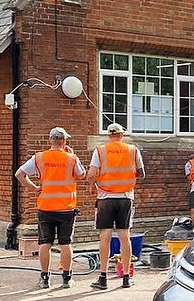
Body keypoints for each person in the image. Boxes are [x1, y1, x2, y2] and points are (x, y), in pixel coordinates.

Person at [15, 126, 85, 289]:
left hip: (45, 207)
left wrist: (33, 188)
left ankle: (45, 278)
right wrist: (71, 154)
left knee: (45, 243)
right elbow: (81, 175)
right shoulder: (71, 158)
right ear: (64, 141)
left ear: (50, 140)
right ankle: (67, 279)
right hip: (66, 208)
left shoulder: (39, 158)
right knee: (65, 243)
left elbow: (19, 174)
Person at [88, 122, 145, 290]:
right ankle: (126, 277)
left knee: (105, 236)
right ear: (122, 135)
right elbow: (142, 173)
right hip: (126, 198)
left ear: (109, 135)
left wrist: (93, 186)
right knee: (124, 236)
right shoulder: (133, 150)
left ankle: (103, 277)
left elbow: (91, 173)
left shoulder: (100, 150)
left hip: (105, 198)